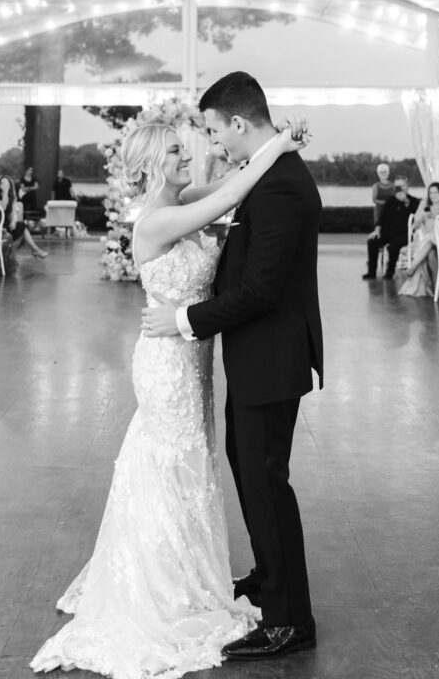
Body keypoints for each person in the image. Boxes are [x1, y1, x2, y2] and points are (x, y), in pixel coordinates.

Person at [31, 102, 311, 675]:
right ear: (154, 165)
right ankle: (162, 584)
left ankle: (186, 572)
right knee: (170, 464)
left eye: (190, 145)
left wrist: (274, 139)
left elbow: (229, 181)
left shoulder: (177, 203)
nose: (191, 154)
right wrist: (277, 147)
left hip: (192, 358)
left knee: (193, 465)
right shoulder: (154, 221)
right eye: (179, 151)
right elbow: (231, 197)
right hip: (166, 360)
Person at [141, 71, 322, 662]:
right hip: (252, 358)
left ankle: (289, 621)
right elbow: (225, 198)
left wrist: (187, 320)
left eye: (217, 132)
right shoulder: (269, 178)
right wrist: (277, 145)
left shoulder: (282, 187)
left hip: (269, 355)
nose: (213, 146)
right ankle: (271, 581)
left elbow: (263, 289)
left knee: (266, 483)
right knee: (250, 471)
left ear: (239, 124)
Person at [399, 182, 439, 297]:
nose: (433, 195)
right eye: (431, 193)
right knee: (431, 255)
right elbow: (413, 227)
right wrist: (422, 217)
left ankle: (412, 267)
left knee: (431, 238)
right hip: (428, 245)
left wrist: (436, 219)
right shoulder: (426, 208)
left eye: (436, 192)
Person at [363, 176, 420, 279]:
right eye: (398, 186)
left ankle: (390, 271)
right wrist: (377, 231)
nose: (401, 188)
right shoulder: (390, 200)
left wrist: (405, 201)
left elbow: (416, 217)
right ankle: (371, 272)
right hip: (388, 232)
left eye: (403, 185)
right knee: (372, 242)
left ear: (407, 186)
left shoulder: (414, 201)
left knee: (393, 246)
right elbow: (381, 219)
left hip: (404, 233)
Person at [0, 175, 48, 258]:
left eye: (7, 183)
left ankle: (34, 249)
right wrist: (5, 192)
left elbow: (12, 212)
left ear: (10, 184)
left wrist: (13, 221)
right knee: (23, 231)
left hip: (7, 224)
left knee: (22, 226)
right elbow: (3, 207)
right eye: (2, 183)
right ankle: (34, 250)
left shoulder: (11, 197)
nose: (5, 185)